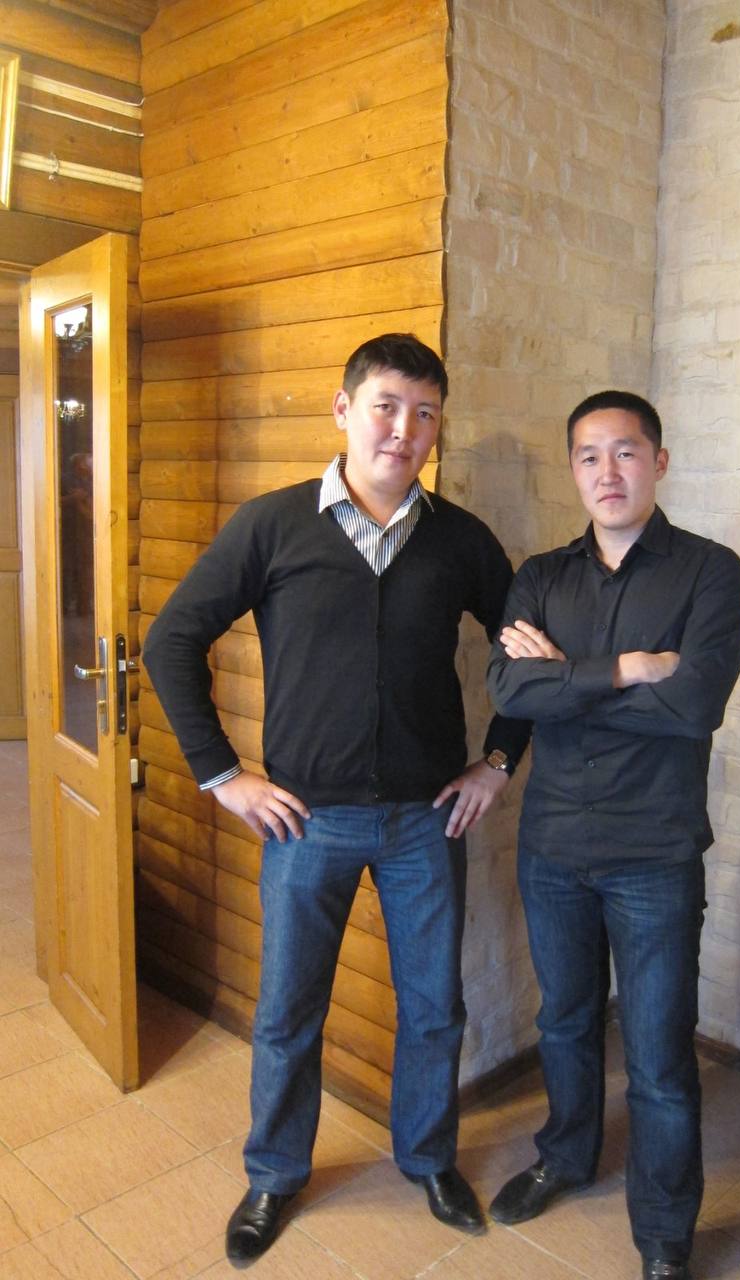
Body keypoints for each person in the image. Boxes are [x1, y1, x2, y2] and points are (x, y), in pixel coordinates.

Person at [143, 333, 529, 1266]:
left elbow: (528, 651)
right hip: (306, 822)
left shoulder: (462, 539)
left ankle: (428, 1158)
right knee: (288, 1013)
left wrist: (498, 761)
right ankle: (275, 1174)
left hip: (426, 820)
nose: (404, 429)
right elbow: (171, 641)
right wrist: (223, 776)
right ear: (344, 409)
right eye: (386, 406)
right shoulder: (273, 525)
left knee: (434, 1008)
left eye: (425, 413)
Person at [486, 390, 740, 1280]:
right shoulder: (540, 577)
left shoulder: (711, 573)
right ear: (574, 470)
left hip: (654, 854)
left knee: (660, 1052)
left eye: (626, 452)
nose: (608, 471)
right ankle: (566, 1156)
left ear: (659, 461)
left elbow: (695, 707)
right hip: (553, 845)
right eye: (589, 455)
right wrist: (631, 668)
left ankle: (665, 1231)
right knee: (563, 1022)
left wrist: (566, 682)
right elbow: (509, 691)